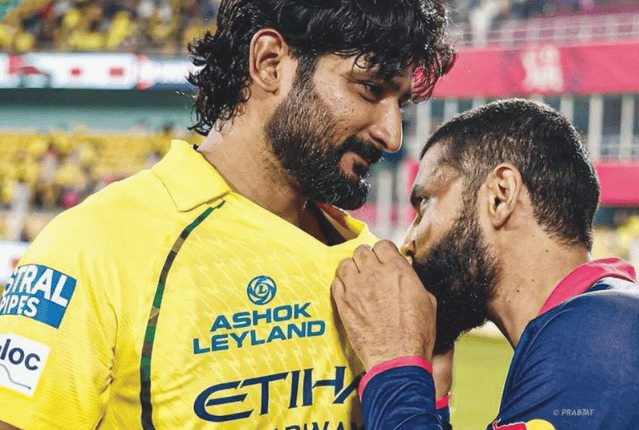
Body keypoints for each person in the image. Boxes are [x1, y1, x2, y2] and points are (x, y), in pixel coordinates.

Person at [0, 1, 455, 429]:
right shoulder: (93, 247)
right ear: (269, 62)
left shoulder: (377, 273)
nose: (392, 135)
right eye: (370, 89)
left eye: (400, 105)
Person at [332, 99, 639, 430]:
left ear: (500, 195)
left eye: (425, 203)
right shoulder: (600, 322)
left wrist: (395, 364)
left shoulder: (608, 334)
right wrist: (432, 397)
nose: (409, 240)